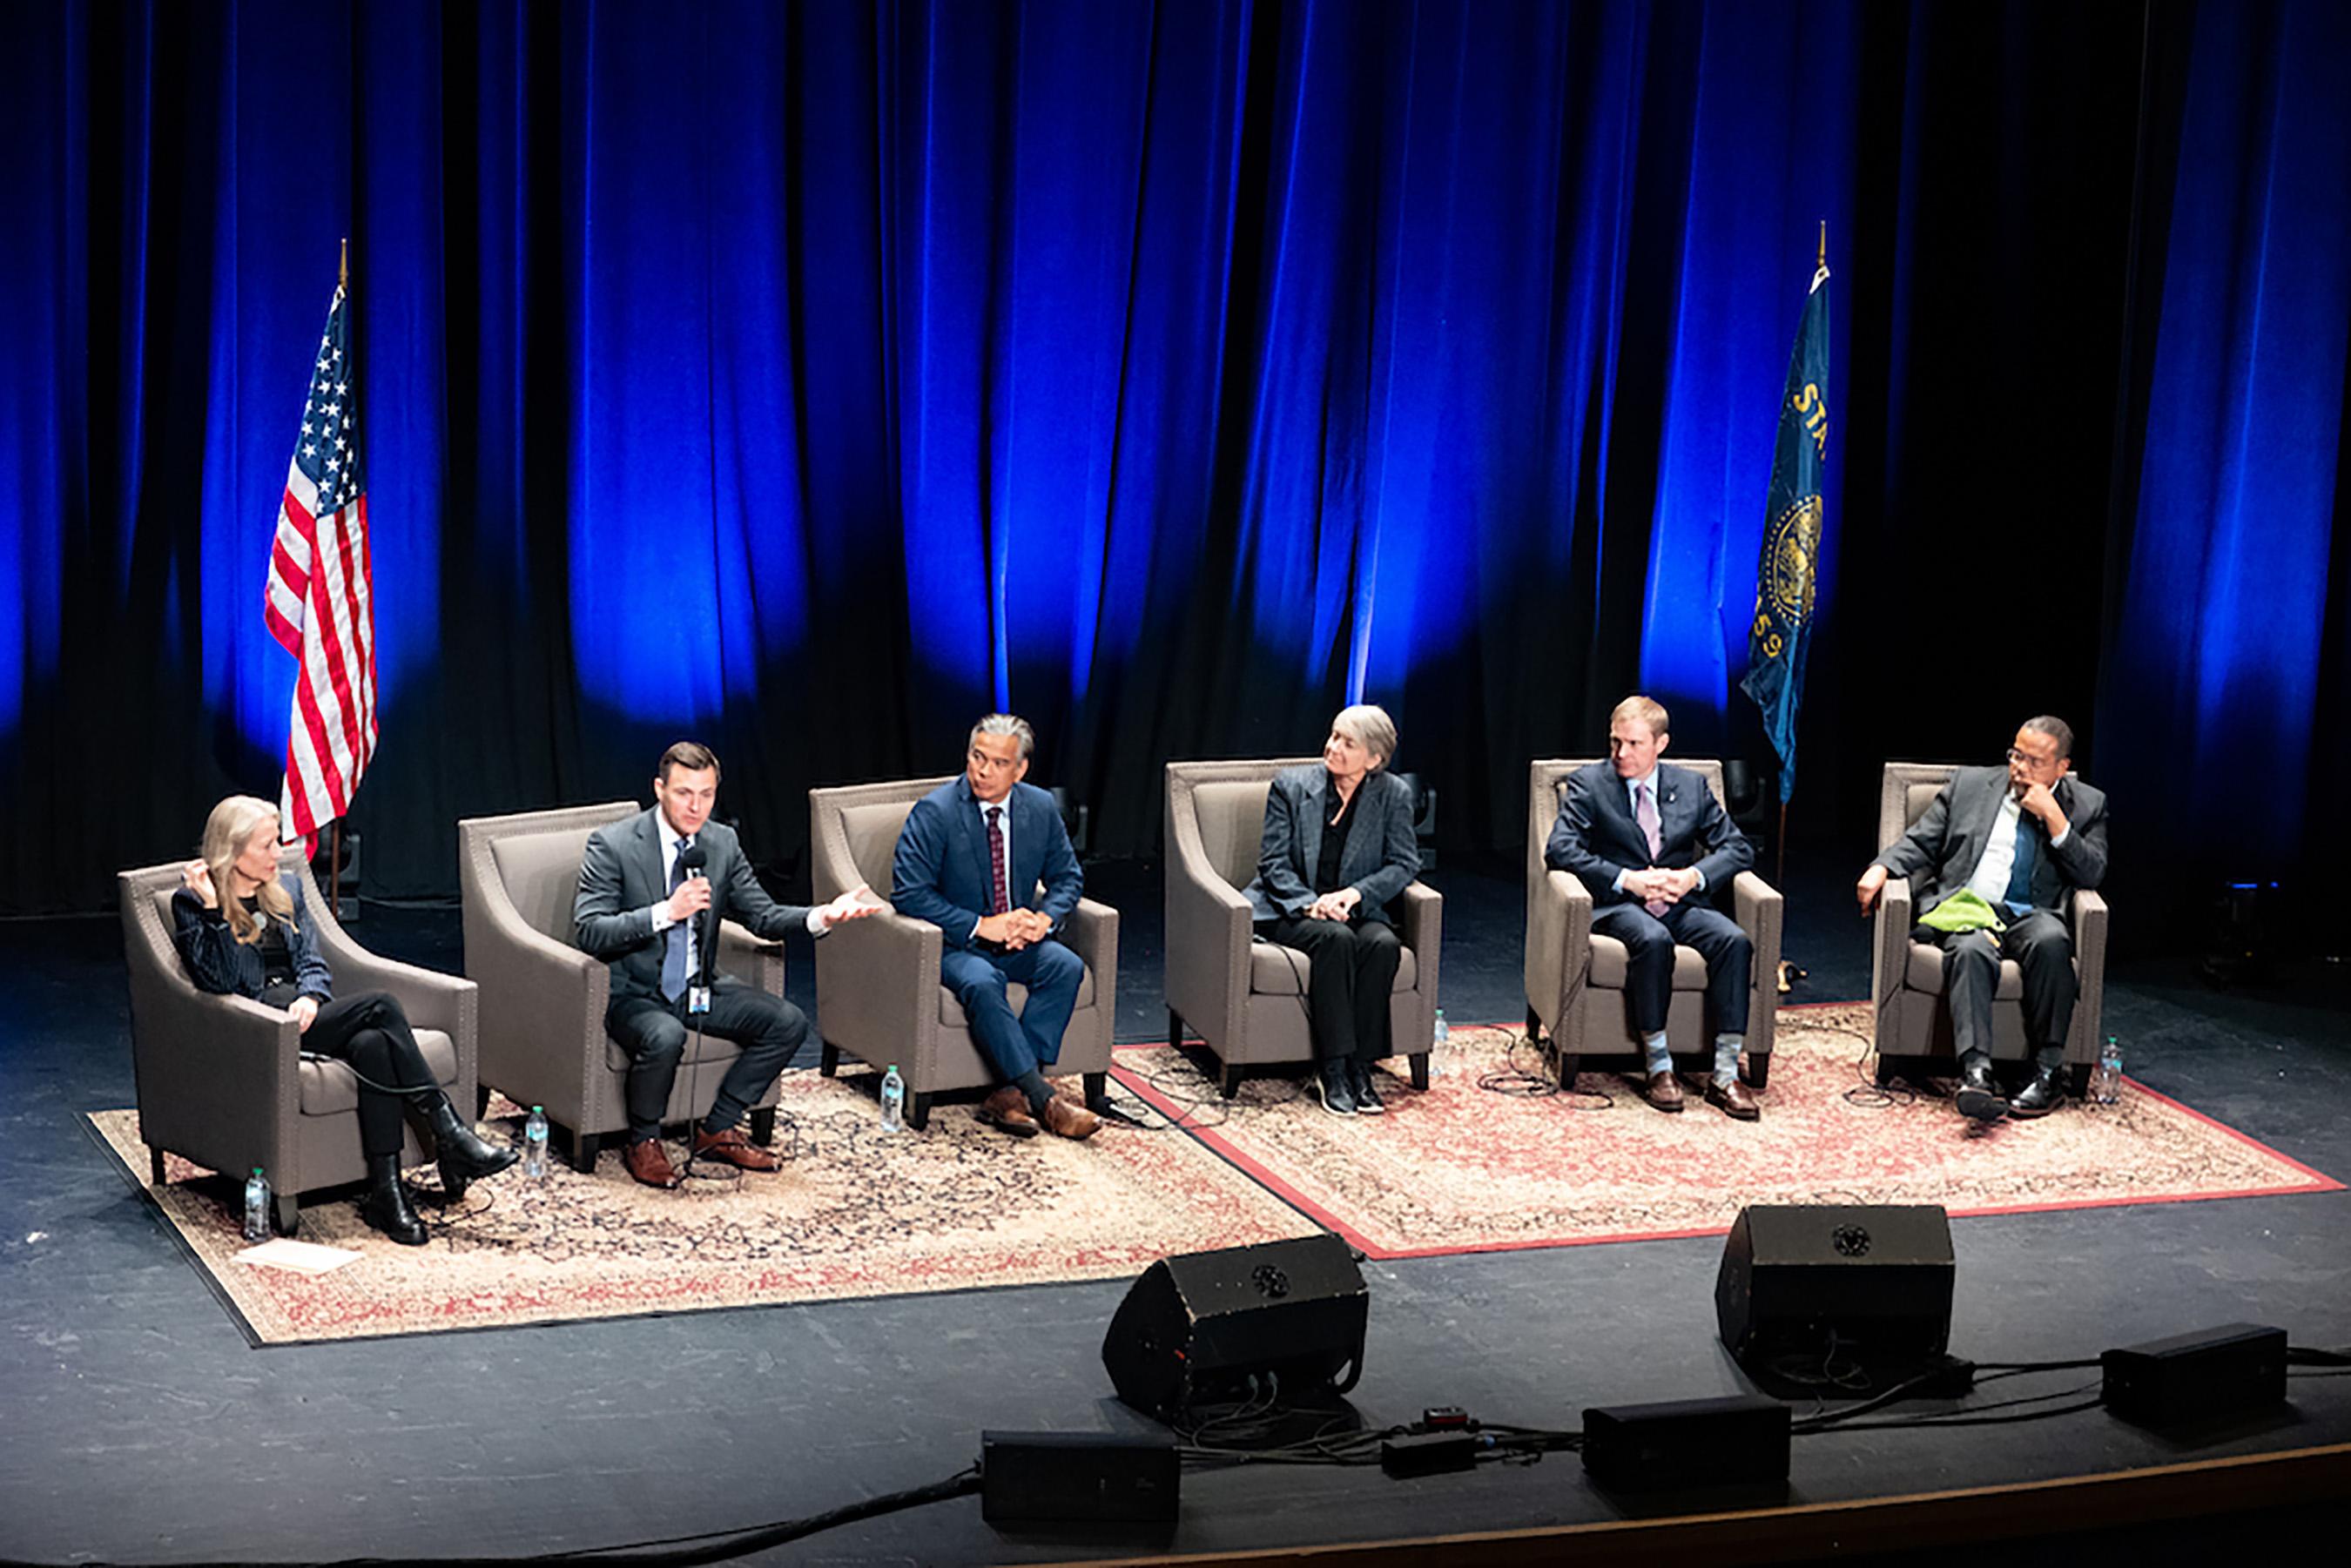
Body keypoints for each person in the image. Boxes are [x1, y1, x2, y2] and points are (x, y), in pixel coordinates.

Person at [172, 795, 519, 1246]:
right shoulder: (193, 902)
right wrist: (214, 912)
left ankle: (386, 1193)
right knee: (382, 1006)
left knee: (374, 1045)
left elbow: (313, 963)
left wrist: (313, 997)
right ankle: (447, 1129)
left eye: (277, 841)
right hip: (257, 1024)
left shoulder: (289, 889)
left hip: (304, 1015)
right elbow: (216, 984)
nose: (279, 853)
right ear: (233, 851)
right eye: (267, 845)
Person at [574, 741, 879, 1188]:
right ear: (659, 789)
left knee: (787, 1021)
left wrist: (821, 915)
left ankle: (717, 1127)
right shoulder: (614, 844)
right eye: (683, 793)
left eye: (706, 794)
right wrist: (666, 912)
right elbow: (590, 930)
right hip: (634, 992)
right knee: (665, 1033)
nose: (696, 806)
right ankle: (644, 1140)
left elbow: (761, 914)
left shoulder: (721, 843)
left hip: (700, 987)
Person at [1857, 716, 2108, 1121]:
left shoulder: (2088, 804)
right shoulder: (1970, 786)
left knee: (2052, 942)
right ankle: (1976, 1071)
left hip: (2033, 915)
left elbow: (2092, 873)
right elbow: (1921, 841)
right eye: (2016, 755)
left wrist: (2054, 818)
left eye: (2034, 762)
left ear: (2062, 767)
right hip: (1970, 909)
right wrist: (1881, 868)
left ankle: (2047, 1073)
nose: (2020, 769)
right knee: (1970, 949)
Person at [1544, 696, 1759, 1119]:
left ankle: (1725, 1072)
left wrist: (1690, 877)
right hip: (1620, 903)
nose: (1622, 753)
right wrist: (1629, 880)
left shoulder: (1692, 787)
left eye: (1634, 744)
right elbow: (1561, 849)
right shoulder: (1590, 784)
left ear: (1660, 744)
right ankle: (1659, 1066)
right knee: (1653, 939)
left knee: (1734, 941)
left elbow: (1737, 847)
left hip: (1680, 899)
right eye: (1615, 742)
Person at [891, 715, 1101, 1141]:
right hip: (955, 944)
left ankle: (1010, 1094)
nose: (983, 771)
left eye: (998, 763)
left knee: (1065, 966)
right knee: (984, 980)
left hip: (1018, 939)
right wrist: (980, 925)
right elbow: (909, 894)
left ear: (1020, 769)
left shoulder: (1039, 807)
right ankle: (1044, 1099)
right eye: (977, 757)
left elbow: (1067, 878)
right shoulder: (937, 811)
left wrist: (1043, 920)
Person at [1243, 704, 1422, 1117]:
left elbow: (1403, 863)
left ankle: (1362, 1065)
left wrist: (1355, 895)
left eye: (1347, 742)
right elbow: (1272, 863)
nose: (1332, 747)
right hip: (1292, 909)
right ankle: (1335, 1067)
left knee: (1381, 944)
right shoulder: (1291, 786)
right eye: (1333, 735)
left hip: (1356, 908)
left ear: (1373, 759)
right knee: (1335, 940)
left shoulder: (1393, 794)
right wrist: (1310, 903)